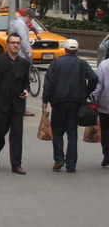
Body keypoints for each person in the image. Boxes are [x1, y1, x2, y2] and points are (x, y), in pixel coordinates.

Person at [42, 38, 98, 173]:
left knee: (57, 131)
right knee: (72, 133)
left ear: (65, 49)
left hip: (58, 102)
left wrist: (45, 100)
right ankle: (71, 164)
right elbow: (94, 78)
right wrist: (86, 92)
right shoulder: (82, 63)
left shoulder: (56, 63)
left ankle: (59, 159)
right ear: (76, 50)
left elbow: (48, 82)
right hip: (76, 103)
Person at [0, 34, 30, 174]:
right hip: (1, 103)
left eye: (18, 43)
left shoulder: (24, 63)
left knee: (17, 135)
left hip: (17, 104)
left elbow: (26, 82)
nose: (15, 45)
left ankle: (16, 164)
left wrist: (26, 90)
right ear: (7, 45)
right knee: (0, 132)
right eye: (13, 43)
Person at [7, 8, 37, 116]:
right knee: (24, 82)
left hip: (13, 55)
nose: (30, 23)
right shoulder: (21, 25)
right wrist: (28, 54)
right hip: (21, 56)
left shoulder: (13, 22)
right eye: (30, 20)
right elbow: (24, 41)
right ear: (28, 17)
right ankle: (22, 108)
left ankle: (13, 105)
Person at [92, 52, 109, 167]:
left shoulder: (104, 65)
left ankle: (106, 154)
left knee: (105, 130)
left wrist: (93, 101)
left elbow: (98, 86)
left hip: (105, 103)